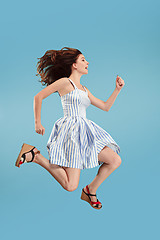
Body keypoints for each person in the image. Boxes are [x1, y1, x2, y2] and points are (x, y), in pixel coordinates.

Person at [15, 47, 125, 210]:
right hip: (72, 134)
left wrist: (117, 89)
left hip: (86, 133)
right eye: (83, 60)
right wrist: (38, 122)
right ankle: (35, 156)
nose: (87, 63)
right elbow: (38, 97)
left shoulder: (85, 89)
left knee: (115, 160)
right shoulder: (65, 82)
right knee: (70, 185)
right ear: (74, 65)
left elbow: (105, 106)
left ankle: (90, 190)